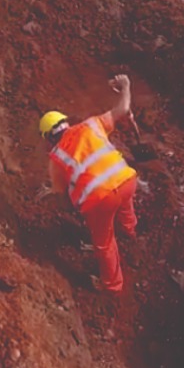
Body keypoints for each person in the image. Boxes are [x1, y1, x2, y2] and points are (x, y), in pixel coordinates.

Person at [39, 74, 139, 294]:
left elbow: (60, 191)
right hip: (127, 179)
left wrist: (56, 193)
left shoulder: (56, 159)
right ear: (66, 122)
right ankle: (130, 231)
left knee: (104, 244)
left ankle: (112, 285)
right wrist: (125, 86)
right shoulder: (91, 125)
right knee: (124, 204)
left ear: (48, 138)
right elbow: (122, 108)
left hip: (102, 200)